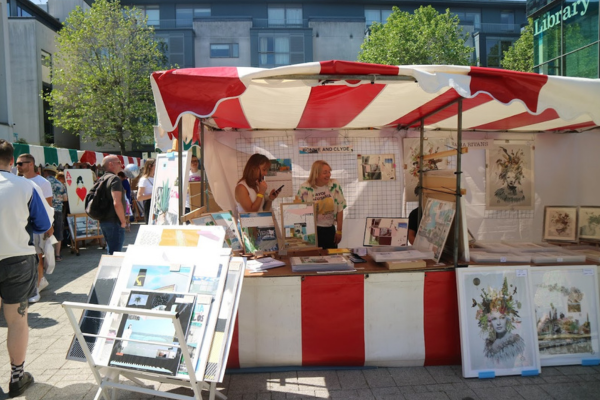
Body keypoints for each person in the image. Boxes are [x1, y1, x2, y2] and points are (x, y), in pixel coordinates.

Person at [0, 139, 52, 397]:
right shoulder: (26, 186)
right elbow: (43, 225)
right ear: (12, 162)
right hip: (17, 258)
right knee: (17, 321)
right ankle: (17, 377)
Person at [16, 154, 54, 302]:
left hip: (36, 224)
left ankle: (37, 286)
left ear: (31, 164)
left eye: (20, 164)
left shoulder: (42, 182)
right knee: (30, 256)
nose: (17, 166)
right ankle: (38, 282)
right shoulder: (18, 181)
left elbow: (48, 206)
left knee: (37, 255)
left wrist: (49, 226)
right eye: (17, 164)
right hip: (22, 225)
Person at [475, 277, 526, 365]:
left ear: (507, 319)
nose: (498, 323)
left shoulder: (515, 343)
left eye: (502, 318)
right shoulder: (489, 345)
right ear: (490, 321)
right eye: (494, 319)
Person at [297, 160, 346, 249]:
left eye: (329, 172)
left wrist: (339, 231)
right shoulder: (305, 188)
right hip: (311, 230)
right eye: (325, 173)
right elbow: (299, 212)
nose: (329, 175)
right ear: (316, 174)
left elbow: (340, 208)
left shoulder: (334, 185)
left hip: (329, 229)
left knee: (331, 258)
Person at [98, 155, 128, 255]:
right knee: (115, 254)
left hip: (104, 220)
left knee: (111, 251)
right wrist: (123, 221)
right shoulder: (115, 179)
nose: (121, 164)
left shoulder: (102, 179)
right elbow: (117, 203)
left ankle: (109, 270)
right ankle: (113, 271)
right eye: (118, 162)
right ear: (111, 164)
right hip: (115, 221)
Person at [42, 166, 68, 262]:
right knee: (58, 232)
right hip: (57, 210)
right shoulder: (60, 184)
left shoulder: (43, 182)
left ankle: (45, 256)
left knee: (45, 233)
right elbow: (65, 198)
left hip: (45, 211)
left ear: (46, 173)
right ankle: (57, 255)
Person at [137, 159, 155, 224]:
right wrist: (154, 195)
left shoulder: (157, 177)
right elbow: (139, 197)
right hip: (149, 204)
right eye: (156, 165)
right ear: (150, 166)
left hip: (158, 204)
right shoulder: (144, 179)